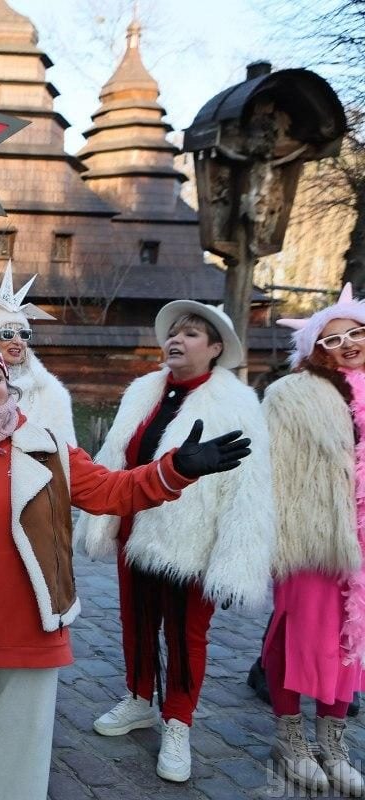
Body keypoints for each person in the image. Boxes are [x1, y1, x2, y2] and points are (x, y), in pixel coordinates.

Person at [0, 328, 251, 800]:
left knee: (23, 755)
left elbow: (116, 492)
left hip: (34, 627)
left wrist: (176, 468)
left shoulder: (49, 448)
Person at [77, 301, 274, 782]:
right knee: (136, 622)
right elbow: (118, 456)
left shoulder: (237, 404)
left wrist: (236, 561)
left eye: (191, 334)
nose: (177, 340)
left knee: (186, 637)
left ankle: (178, 722)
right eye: (175, 332)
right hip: (135, 526)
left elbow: (251, 490)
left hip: (193, 540)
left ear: (214, 348)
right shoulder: (142, 390)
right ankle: (140, 698)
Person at [256, 284, 365, 794]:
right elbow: (272, 470)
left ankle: (334, 743)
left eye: (355, 332)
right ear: (314, 351)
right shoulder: (290, 395)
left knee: (351, 640)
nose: (346, 343)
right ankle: (291, 738)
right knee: (297, 633)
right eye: (332, 338)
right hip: (309, 536)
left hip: (362, 544)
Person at [0, 262, 76, 444]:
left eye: (24, 334)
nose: (18, 341)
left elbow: (68, 458)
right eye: (8, 334)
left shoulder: (51, 392)